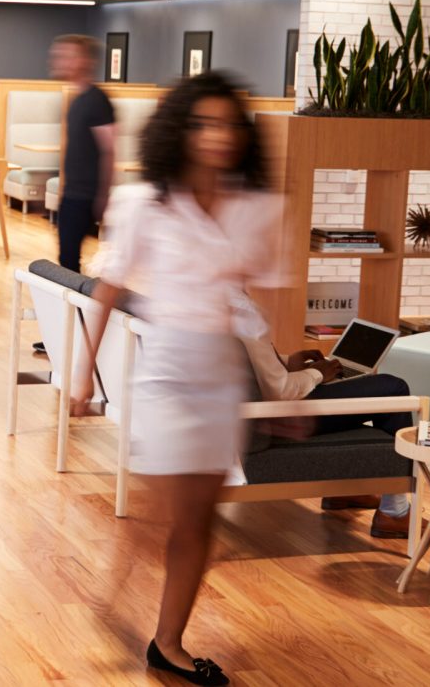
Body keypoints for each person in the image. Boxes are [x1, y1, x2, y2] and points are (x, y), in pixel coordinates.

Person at [78, 74, 286, 687]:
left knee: (199, 524)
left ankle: (167, 643)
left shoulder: (253, 208)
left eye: (228, 124)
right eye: (203, 124)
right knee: (165, 516)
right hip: (166, 375)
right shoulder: (145, 202)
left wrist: (283, 388)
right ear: (180, 131)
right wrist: (85, 372)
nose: (218, 136)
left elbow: (257, 299)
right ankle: (122, 587)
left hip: (221, 376)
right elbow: (109, 285)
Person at [241, 338, 414, 538]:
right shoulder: (247, 325)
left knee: (353, 384)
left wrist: (288, 362)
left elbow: (258, 364)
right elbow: (282, 390)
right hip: (282, 418)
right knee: (394, 388)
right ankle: (395, 512)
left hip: (265, 415)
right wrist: (317, 374)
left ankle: (347, 488)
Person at [54, 34, 116, 274]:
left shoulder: (97, 101)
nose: (60, 61)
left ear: (85, 61)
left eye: (67, 56)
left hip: (85, 196)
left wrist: (103, 196)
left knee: (69, 262)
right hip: (72, 193)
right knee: (67, 259)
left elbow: (109, 150)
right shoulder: (77, 100)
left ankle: (78, 300)